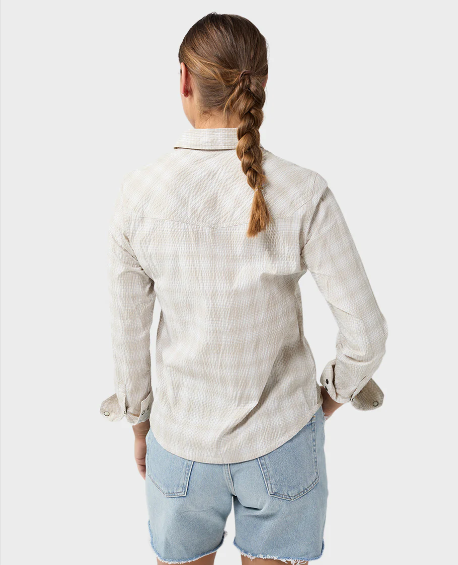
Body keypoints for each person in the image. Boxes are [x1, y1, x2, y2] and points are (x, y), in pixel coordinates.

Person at [100, 12, 388, 565]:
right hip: (283, 442)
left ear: (184, 80)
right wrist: (325, 402)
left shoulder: (137, 195)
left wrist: (140, 425)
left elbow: (128, 338)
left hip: (180, 446)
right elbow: (367, 335)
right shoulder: (304, 191)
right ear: (262, 84)